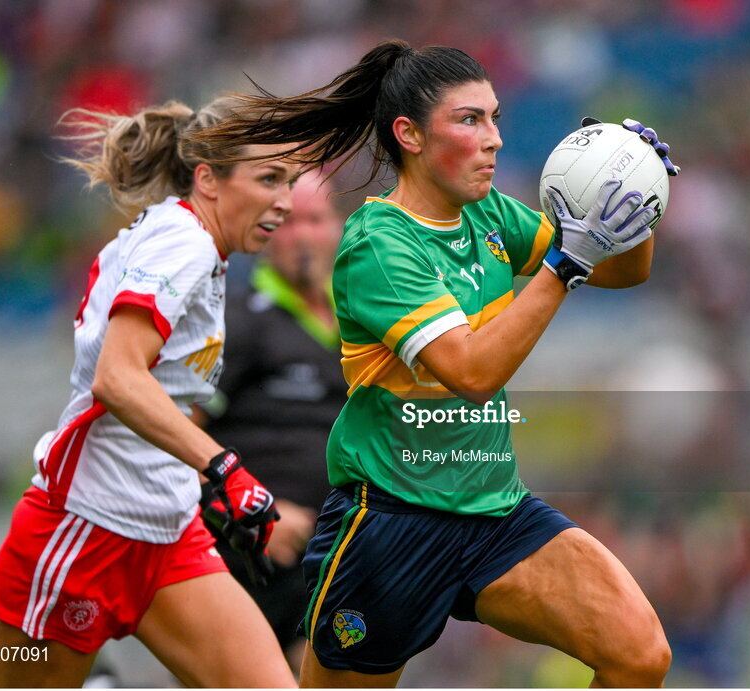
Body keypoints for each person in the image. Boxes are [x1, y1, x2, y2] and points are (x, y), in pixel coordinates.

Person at [192, 39, 679, 687]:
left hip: (493, 512)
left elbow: (620, 269)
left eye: (496, 116)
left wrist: (633, 199)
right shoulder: (377, 243)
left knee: (639, 652)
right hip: (389, 525)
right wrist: (566, 261)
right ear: (409, 135)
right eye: (470, 119)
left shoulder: (488, 211)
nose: (495, 138)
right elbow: (472, 373)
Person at [0, 97, 299, 688]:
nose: (286, 201)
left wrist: (202, 479)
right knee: (7, 678)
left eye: (292, 182)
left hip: (168, 532)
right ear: (208, 178)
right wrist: (224, 466)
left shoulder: (204, 248)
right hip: (87, 530)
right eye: (269, 179)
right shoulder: (186, 243)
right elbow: (118, 378)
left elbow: (163, 395)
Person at [196, 170, 347, 669]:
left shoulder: (365, 324)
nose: (301, 234)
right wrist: (246, 511)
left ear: (339, 228)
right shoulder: (235, 322)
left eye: (314, 219)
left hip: (337, 559)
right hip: (251, 561)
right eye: (285, 221)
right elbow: (173, 434)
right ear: (264, 234)